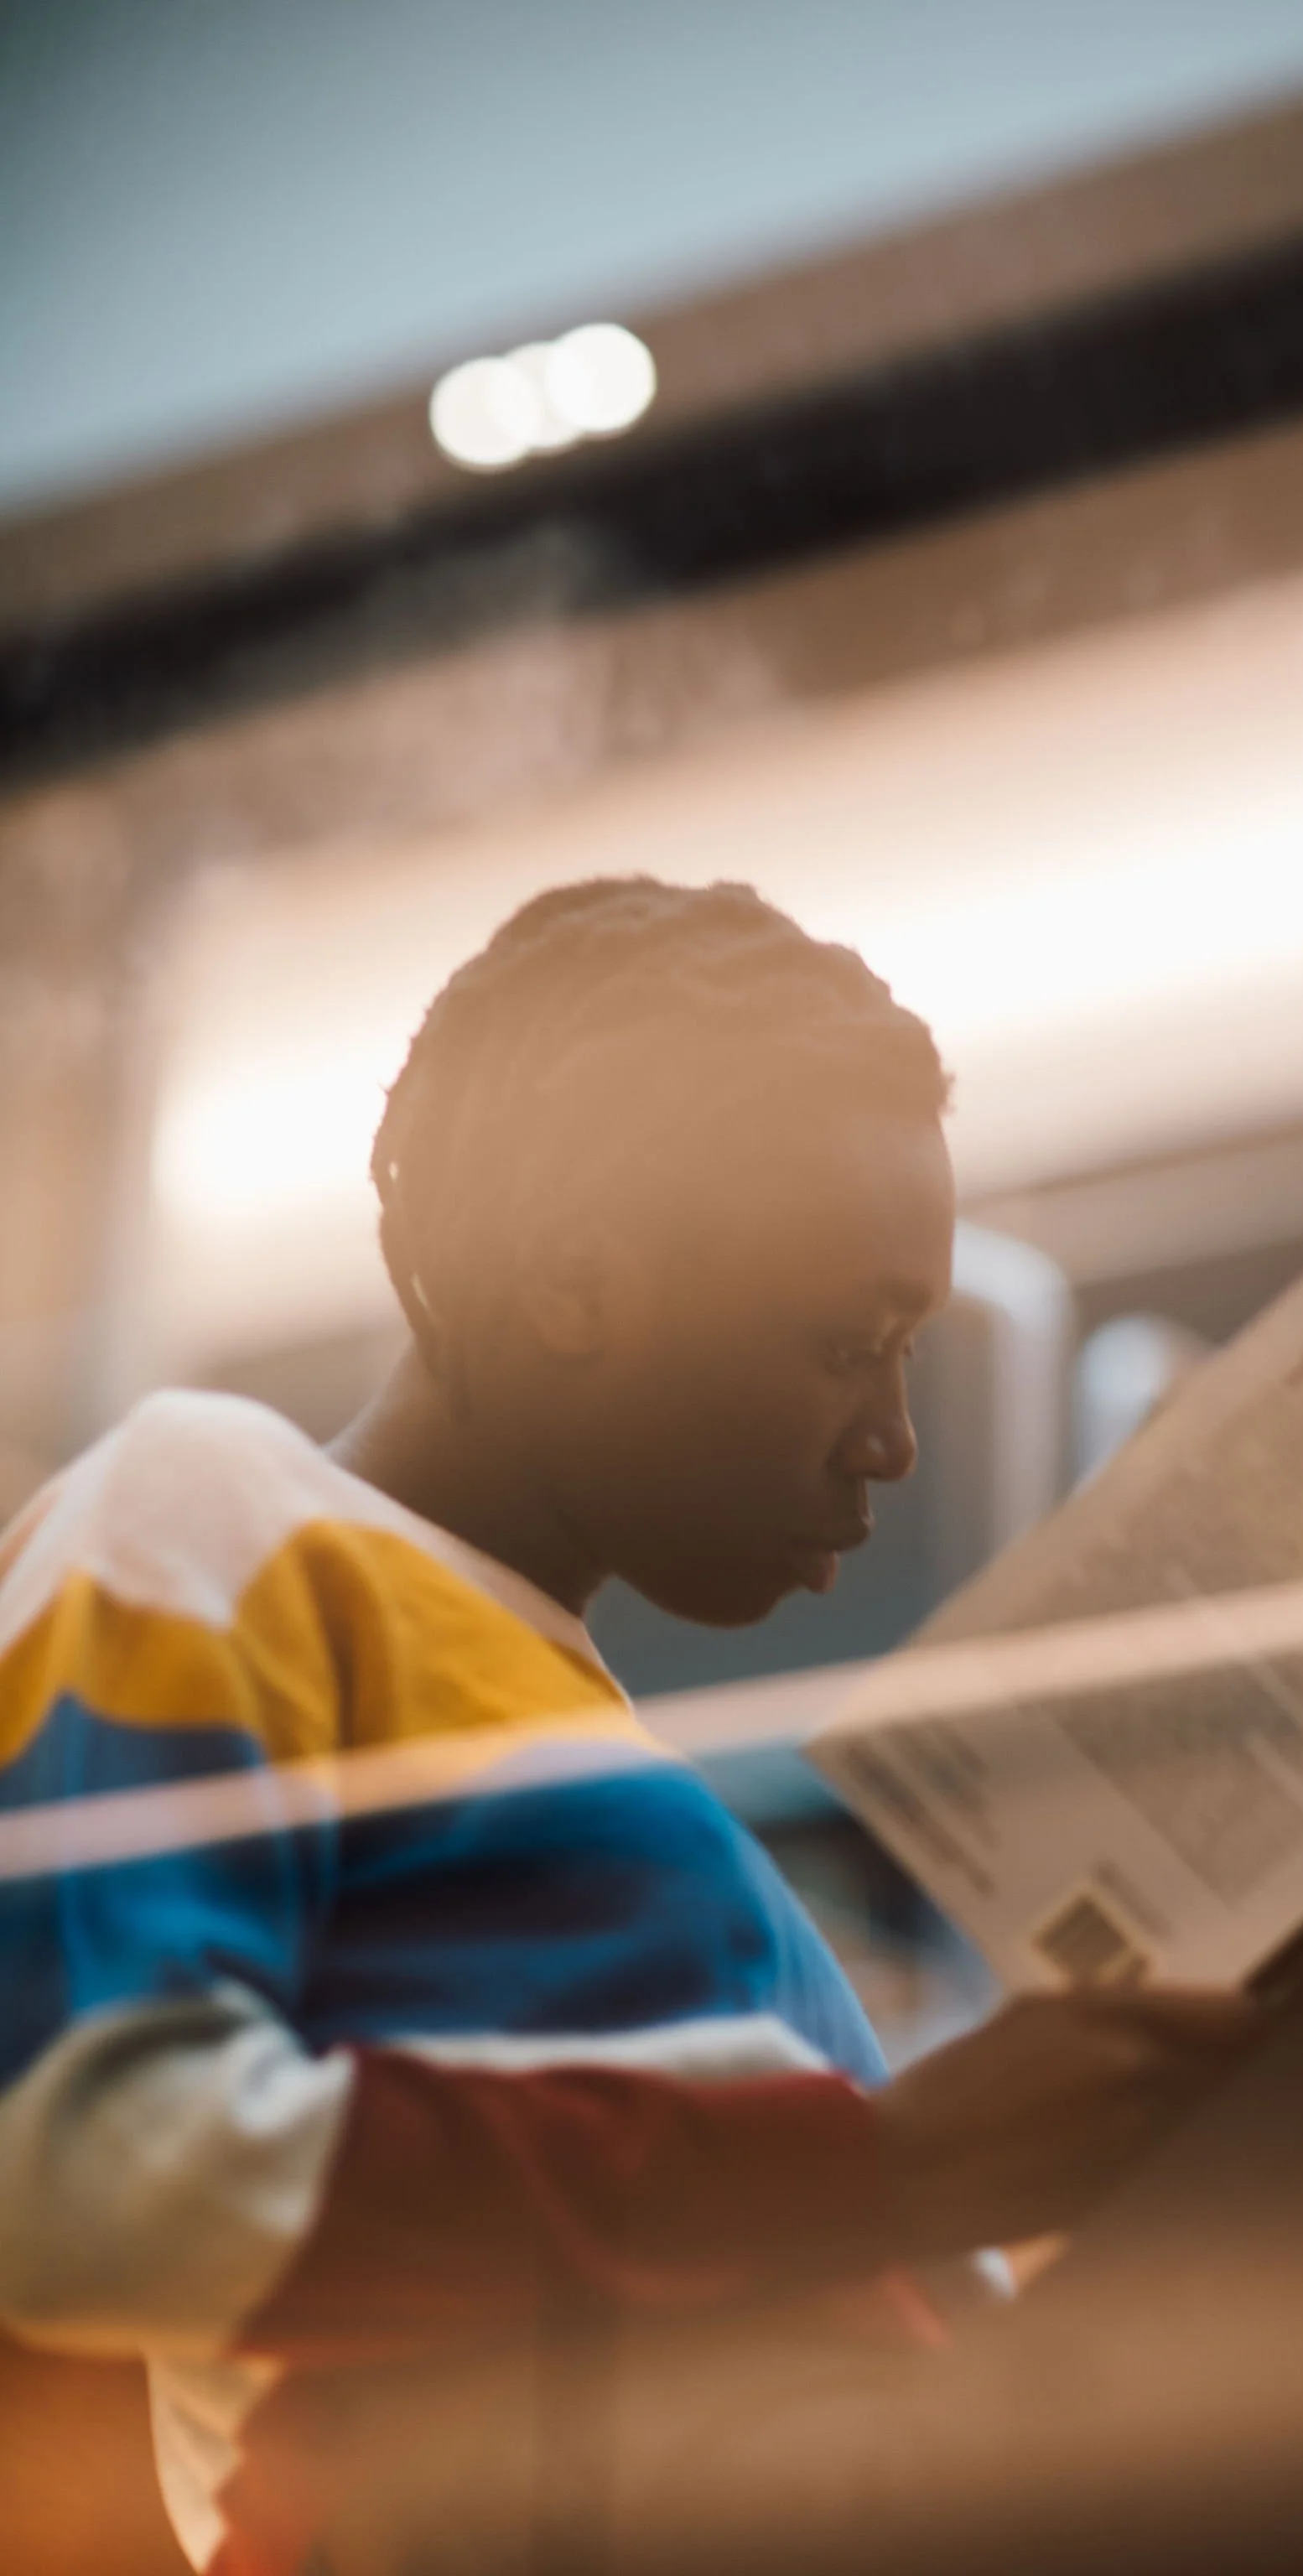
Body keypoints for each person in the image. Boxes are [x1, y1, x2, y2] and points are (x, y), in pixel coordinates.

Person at [0, 879, 1236, 2576]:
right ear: (576, 1281)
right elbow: (91, 2180)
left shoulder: (601, 1753)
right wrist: (863, 2171)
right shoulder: (206, 1501)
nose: (893, 1440)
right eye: (846, 1345)